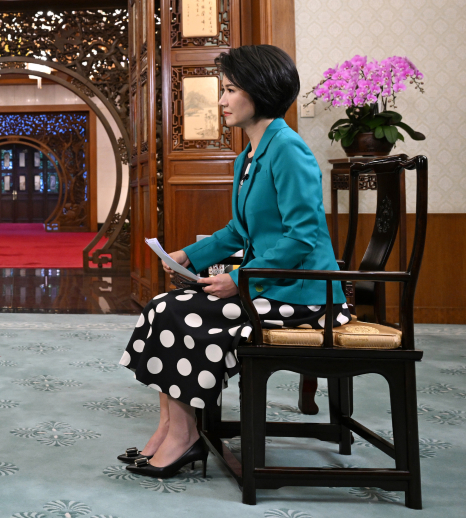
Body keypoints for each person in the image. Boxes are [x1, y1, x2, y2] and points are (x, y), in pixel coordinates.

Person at [118, 45, 349, 478]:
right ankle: (171, 428)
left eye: (230, 90)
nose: (221, 100)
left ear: (260, 92)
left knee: (178, 313)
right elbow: (238, 231)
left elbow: (301, 238)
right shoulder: (249, 157)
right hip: (273, 286)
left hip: (306, 295)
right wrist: (187, 255)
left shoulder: (288, 149)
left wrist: (241, 279)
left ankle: (184, 436)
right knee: (164, 307)